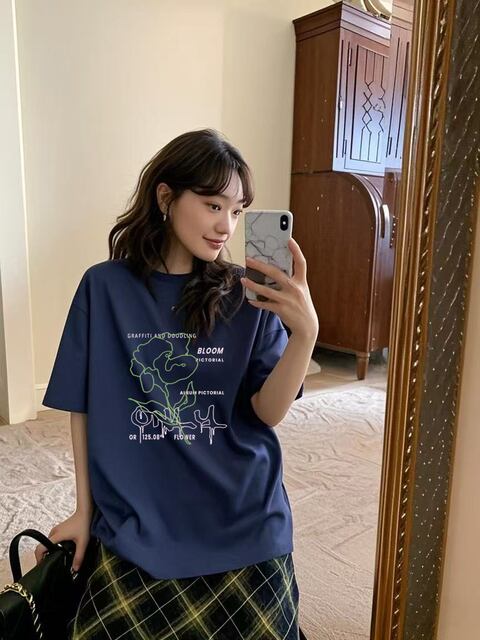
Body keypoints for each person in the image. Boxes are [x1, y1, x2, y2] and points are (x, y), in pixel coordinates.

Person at [37, 128, 319, 639]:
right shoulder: (104, 287)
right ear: (166, 197)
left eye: (237, 211)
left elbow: (268, 412)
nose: (226, 226)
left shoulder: (246, 295)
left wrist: (305, 335)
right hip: (139, 519)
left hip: (243, 515)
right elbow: (83, 405)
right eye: (213, 205)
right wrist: (84, 511)